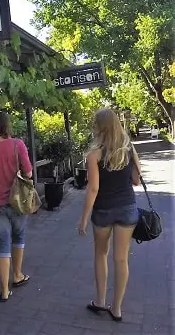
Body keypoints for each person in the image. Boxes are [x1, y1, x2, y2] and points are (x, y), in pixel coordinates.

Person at [77, 108, 141, 322]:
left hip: (103, 210)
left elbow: (93, 189)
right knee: (121, 259)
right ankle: (117, 308)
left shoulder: (94, 155)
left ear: (99, 127)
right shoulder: (128, 149)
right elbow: (136, 181)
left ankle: (101, 302)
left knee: (101, 254)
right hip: (127, 209)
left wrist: (84, 218)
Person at [0, 111, 34, 302]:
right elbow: (28, 172)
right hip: (17, 201)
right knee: (18, 237)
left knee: (2, 244)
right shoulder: (17, 144)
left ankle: (4, 291)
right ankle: (17, 275)